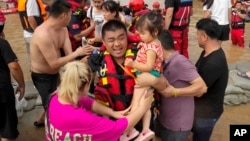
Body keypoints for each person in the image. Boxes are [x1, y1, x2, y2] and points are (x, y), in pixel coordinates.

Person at [45, 61, 153, 141]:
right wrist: (143, 108)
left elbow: (87, 102)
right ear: (86, 86)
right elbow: (118, 128)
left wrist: (113, 113)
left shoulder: (56, 97)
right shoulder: (79, 117)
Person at [134, 29, 207, 141]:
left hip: (177, 126)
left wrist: (175, 92)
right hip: (163, 118)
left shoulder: (180, 62)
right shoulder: (162, 63)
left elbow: (202, 88)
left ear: (159, 46)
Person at [30, 0, 90, 128]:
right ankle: (52, 129)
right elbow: (53, 63)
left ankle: (42, 118)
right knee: (52, 107)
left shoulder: (62, 29)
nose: (71, 18)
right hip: (42, 76)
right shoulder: (43, 34)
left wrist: (79, 65)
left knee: (60, 99)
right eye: (70, 15)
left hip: (56, 73)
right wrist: (77, 53)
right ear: (63, 16)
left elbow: (69, 54)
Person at [87, 20, 143, 141]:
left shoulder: (140, 54)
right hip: (110, 120)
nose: (117, 44)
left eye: (121, 38)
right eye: (111, 40)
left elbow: (161, 83)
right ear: (103, 41)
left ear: (127, 38)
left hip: (138, 120)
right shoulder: (97, 59)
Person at [124, 11, 163, 141]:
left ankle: (129, 130)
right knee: (145, 105)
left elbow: (148, 66)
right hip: (151, 77)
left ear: (155, 31)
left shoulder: (151, 49)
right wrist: (143, 45)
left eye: (143, 33)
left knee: (136, 104)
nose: (140, 36)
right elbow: (150, 50)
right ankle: (145, 130)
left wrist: (133, 63)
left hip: (146, 76)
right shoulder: (153, 43)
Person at [192, 18, 229, 141]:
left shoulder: (214, 62)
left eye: (197, 35)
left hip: (207, 115)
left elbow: (199, 91)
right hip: (201, 109)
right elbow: (196, 71)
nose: (196, 38)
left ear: (204, 37)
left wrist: (174, 92)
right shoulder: (206, 52)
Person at [0, 38, 25, 141]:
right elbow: (14, 66)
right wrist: (21, 85)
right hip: (2, 92)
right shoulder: (2, 42)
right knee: (7, 131)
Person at [17, 0, 47, 65]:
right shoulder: (31, 1)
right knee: (42, 63)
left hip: (27, 34)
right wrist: (38, 34)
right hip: (34, 35)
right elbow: (31, 19)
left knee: (33, 62)